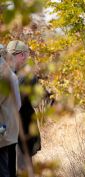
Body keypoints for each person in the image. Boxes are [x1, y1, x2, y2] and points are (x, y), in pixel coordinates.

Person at [6, 40, 41, 173]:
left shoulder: (3, 72)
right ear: (21, 55)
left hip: (6, 128)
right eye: (25, 54)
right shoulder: (29, 76)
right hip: (23, 127)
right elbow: (36, 102)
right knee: (24, 167)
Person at [0, 44, 21, 177]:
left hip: (2, 128)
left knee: (2, 169)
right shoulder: (7, 71)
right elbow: (18, 104)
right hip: (9, 127)